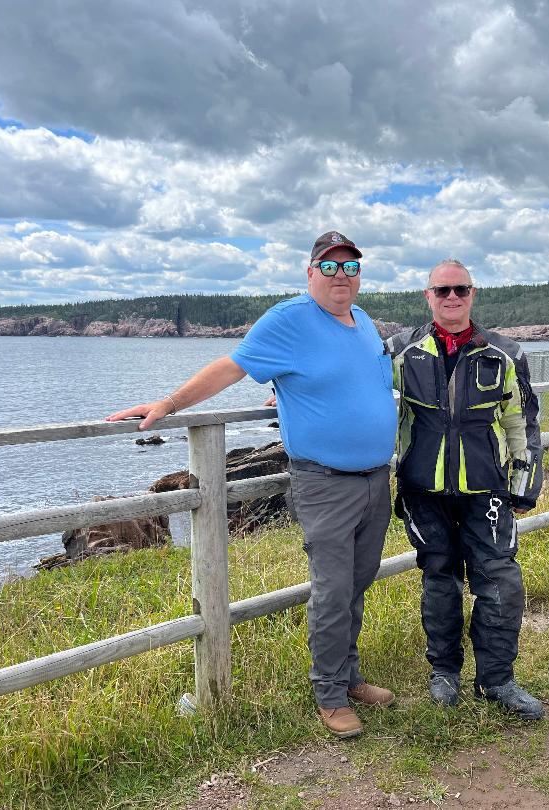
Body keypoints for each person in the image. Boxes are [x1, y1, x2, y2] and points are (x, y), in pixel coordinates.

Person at [106, 231, 398, 739]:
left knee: (358, 584)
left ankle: (350, 677)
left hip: (376, 479)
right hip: (326, 483)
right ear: (310, 273)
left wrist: (291, 392)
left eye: (350, 268)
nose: (341, 277)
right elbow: (231, 367)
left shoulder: (365, 323)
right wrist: (170, 405)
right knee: (333, 590)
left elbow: (360, 379)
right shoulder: (289, 320)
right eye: (329, 268)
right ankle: (329, 693)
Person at [385, 259, 545, 720]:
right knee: (440, 577)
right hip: (422, 488)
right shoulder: (399, 350)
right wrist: (290, 386)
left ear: (473, 294)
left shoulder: (504, 352)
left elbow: (522, 421)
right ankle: (445, 674)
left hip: (486, 488)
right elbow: (350, 383)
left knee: (500, 580)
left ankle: (497, 681)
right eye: (442, 290)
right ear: (427, 296)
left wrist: (524, 482)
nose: (451, 298)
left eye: (461, 289)